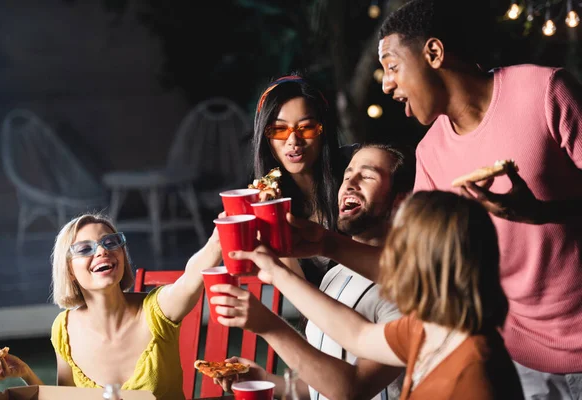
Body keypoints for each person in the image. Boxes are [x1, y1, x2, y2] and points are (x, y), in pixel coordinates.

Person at [375, 0, 582, 397]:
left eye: (392, 66)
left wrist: (543, 213)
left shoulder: (545, 91)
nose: (386, 84)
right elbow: (425, 262)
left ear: (433, 53)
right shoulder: (430, 154)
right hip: (520, 361)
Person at [228, 191, 525, 399]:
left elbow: (351, 384)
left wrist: (268, 322)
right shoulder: (428, 329)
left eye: (398, 248)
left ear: (432, 267)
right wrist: (276, 272)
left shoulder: (476, 376)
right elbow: (356, 334)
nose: (387, 260)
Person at [210, 143, 414, 400]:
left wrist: (270, 326)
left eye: (368, 176)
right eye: (347, 175)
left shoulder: (410, 288)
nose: (350, 184)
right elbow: (323, 387)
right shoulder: (334, 273)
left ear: (401, 200)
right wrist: (263, 379)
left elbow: (353, 389)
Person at [0, 213, 223, 400]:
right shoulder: (64, 328)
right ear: (69, 270)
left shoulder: (156, 310)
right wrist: (26, 374)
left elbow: (192, 276)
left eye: (111, 243)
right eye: (84, 249)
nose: (102, 251)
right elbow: (68, 399)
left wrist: (220, 236)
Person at [252, 73, 347, 286]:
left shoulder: (352, 177)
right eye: (278, 129)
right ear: (265, 137)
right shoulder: (263, 199)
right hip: (311, 313)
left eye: (306, 127)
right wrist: (274, 219)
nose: (294, 140)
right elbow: (294, 288)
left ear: (323, 130)